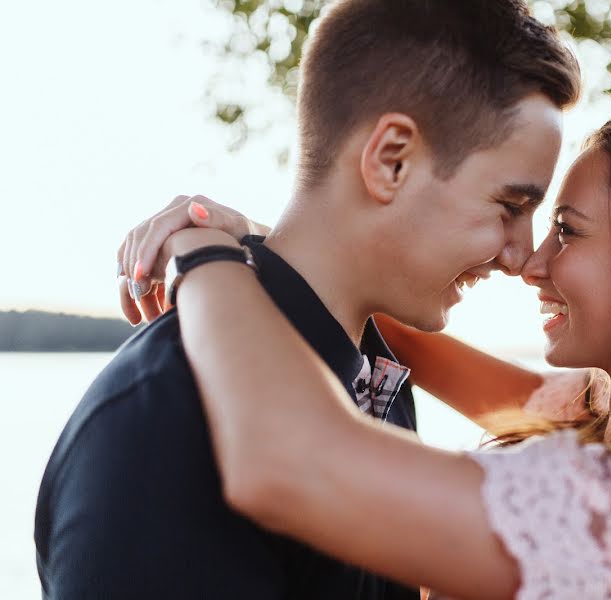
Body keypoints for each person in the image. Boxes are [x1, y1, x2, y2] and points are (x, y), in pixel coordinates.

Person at [122, 106, 611, 599]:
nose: (532, 262)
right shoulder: (608, 416)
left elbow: (285, 460)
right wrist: (266, 244)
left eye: (569, 232)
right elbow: (407, 331)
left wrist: (203, 258)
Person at [33, 1, 580, 598]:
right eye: (509, 207)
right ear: (391, 160)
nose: (520, 256)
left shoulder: (376, 381)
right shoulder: (163, 419)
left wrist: (224, 249)